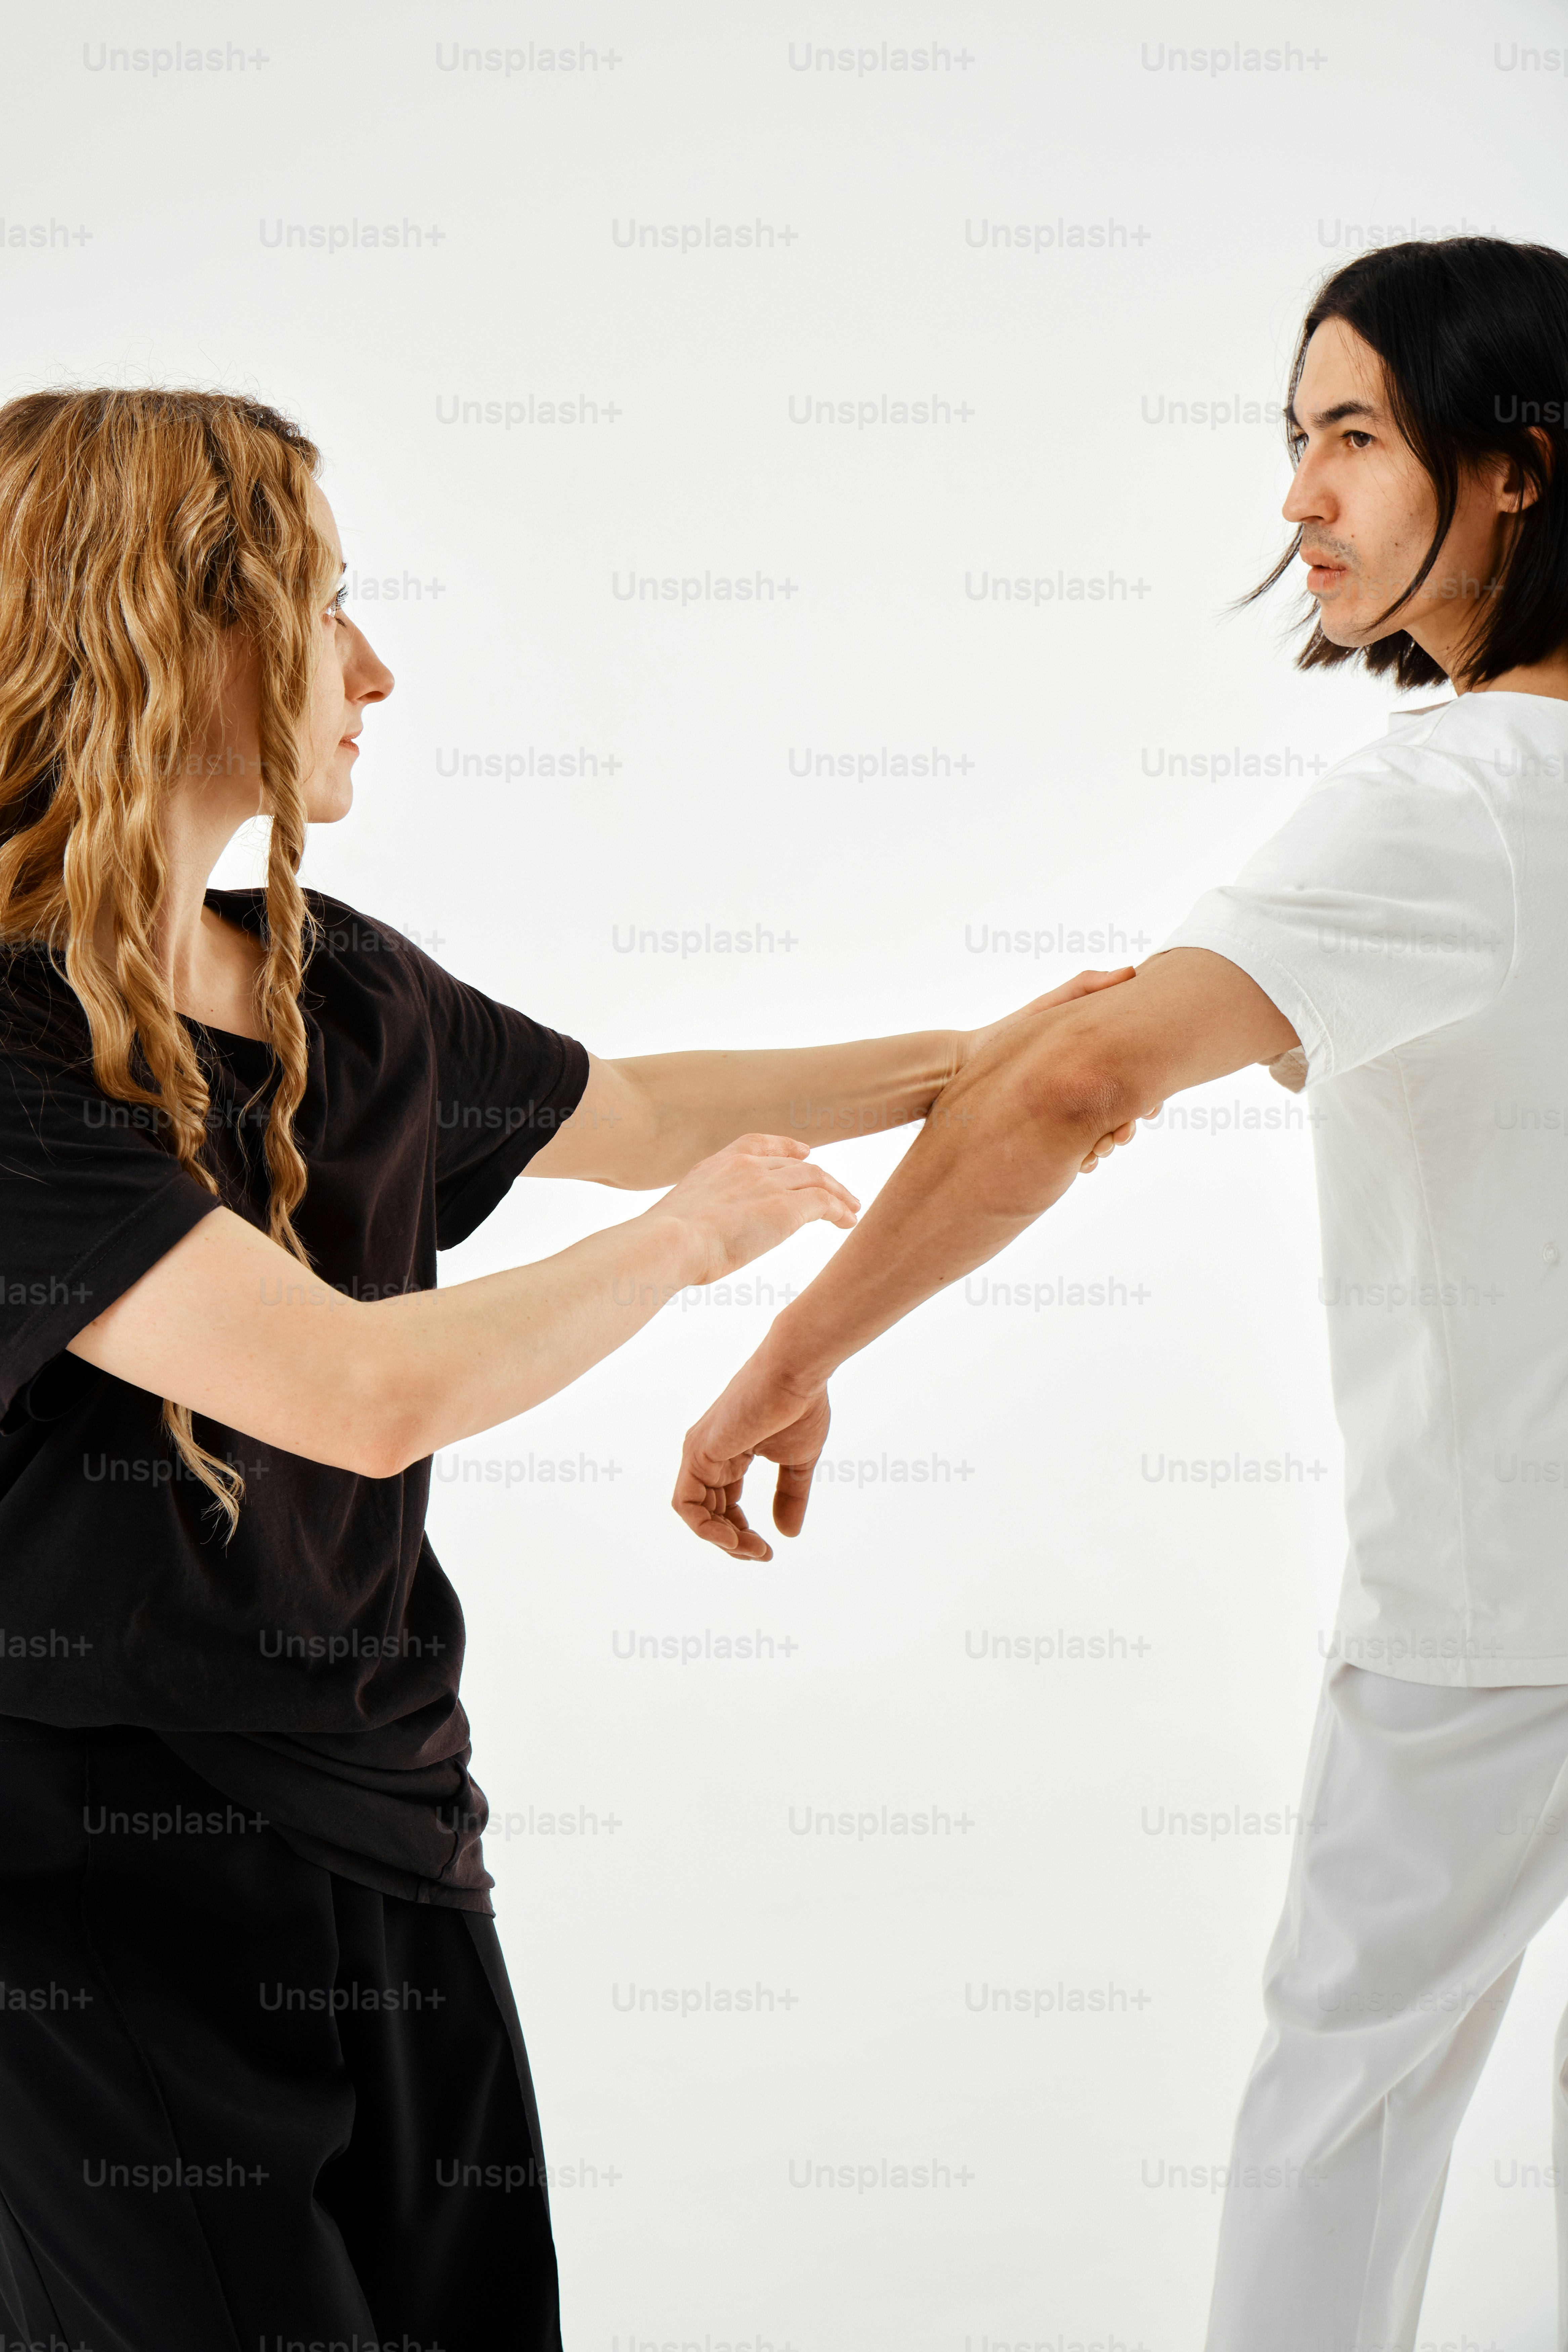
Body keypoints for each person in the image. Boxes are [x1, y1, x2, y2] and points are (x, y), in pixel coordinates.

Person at [0, 387, 1139, 2349]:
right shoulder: (12, 1040)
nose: (374, 667)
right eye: (326, 604)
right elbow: (358, 1387)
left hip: (395, 1836)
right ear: (174, 630)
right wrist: (698, 1240)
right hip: (91, 1890)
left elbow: (638, 1100)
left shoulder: (329, 977)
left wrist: (989, 1059)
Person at [673, 234, 1568, 2348]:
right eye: (1295, 440)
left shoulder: (1454, 795)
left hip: (1499, 1602)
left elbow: (1080, 1080)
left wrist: (785, 1356)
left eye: (1352, 434)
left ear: (1517, 466)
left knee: (1342, 2107)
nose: (1301, 500)